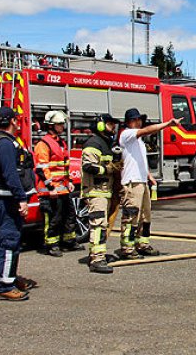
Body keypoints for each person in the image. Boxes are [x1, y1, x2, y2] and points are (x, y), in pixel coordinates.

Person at [0, 107, 38, 300]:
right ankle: (5, 286)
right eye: (17, 119)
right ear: (13, 121)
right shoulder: (4, 144)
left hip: (6, 200)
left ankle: (10, 278)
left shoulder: (3, 141)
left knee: (11, 241)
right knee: (8, 242)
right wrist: (21, 198)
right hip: (6, 201)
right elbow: (10, 174)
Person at [118, 108, 181, 259]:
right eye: (136, 119)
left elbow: (138, 160)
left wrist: (148, 176)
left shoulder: (138, 141)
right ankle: (127, 248)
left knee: (145, 216)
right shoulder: (127, 134)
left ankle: (142, 244)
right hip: (132, 182)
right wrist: (167, 124)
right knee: (131, 216)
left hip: (142, 181)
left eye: (140, 119)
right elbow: (146, 131)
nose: (139, 122)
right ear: (129, 121)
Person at [34, 110, 82, 256]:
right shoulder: (43, 144)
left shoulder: (60, 142)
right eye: (59, 124)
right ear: (51, 126)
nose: (62, 126)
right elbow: (42, 169)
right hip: (50, 190)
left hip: (63, 188)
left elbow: (64, 165)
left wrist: (70, 181)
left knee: (69, 215)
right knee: (53, 219)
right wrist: (51, 188)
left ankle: (68, 241)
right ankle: (51, 244)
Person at [81, 114, 121, 273]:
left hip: (104, 192)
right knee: (98, 226)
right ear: (100, 125)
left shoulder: (106, 143)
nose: (113, 127)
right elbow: (88, 166)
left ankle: (97, 254)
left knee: (102, 225)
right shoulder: (93, 143)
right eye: (110, 124)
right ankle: (97, 260)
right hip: (95, 192)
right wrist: (108, 169)